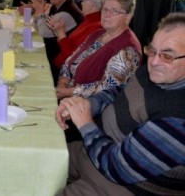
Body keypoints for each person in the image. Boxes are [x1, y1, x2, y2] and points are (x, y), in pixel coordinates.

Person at [55, 12, 185, 196]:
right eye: (152, 50)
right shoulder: (152, 74)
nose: (154, 62)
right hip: (91, 151)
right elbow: (117, 91)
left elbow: (117, 167)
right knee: (34, 159)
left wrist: (85, 123)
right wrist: (88, 104)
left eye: (167, 56)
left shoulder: (178, 118)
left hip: (119, 185)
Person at [56, 0, 141, 100]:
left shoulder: (128, 50)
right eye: (105, 9)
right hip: (69, 96)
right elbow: (70, 60)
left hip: (92, 109)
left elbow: (108, 87)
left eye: (114, 11)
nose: (106, 14)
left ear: (127, 17)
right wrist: (62, 83)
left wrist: (68, 92)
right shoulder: (98, 34)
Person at [31, 0, 83, 84]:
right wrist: (38, 12)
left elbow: (43, 32)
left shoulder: (66, 12)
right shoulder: (56, 7)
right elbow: (40, 26)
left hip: (62, 55)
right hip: (55, 48)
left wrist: (40, 11)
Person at [52, 0, 110, 69]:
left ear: (91, 4)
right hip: (61, 65)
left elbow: (75, 59)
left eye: (83, 0)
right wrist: (59, 32)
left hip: (66, 73)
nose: (81, 3)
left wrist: (61, 35)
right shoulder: (90, 20)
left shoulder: (97, 27)